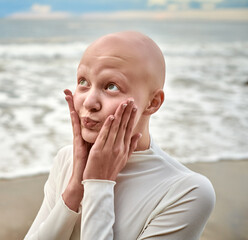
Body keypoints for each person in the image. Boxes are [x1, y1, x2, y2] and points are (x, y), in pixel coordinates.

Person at [24, 31, 215, 240]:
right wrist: (73, 191)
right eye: (83, 82)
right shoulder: (66, 160)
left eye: (111, 86)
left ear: (153, 103)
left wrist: (99, 183)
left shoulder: (187, 192)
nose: (89, 102)